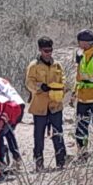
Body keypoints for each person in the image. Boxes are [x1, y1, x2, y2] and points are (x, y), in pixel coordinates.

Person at [25, 37, 67, 170]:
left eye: (50, 50)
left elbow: (63, 80)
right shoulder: (34, 65)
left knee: (58, 134)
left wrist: (61, 88)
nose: (48, 53)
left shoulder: (57, 65)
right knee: (39, 136)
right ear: (40, 50)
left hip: (55, 105)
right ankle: (39, 163)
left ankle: (61, 162)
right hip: (40, 106)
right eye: (45, 50)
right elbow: (29, 83)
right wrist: (39, 87)